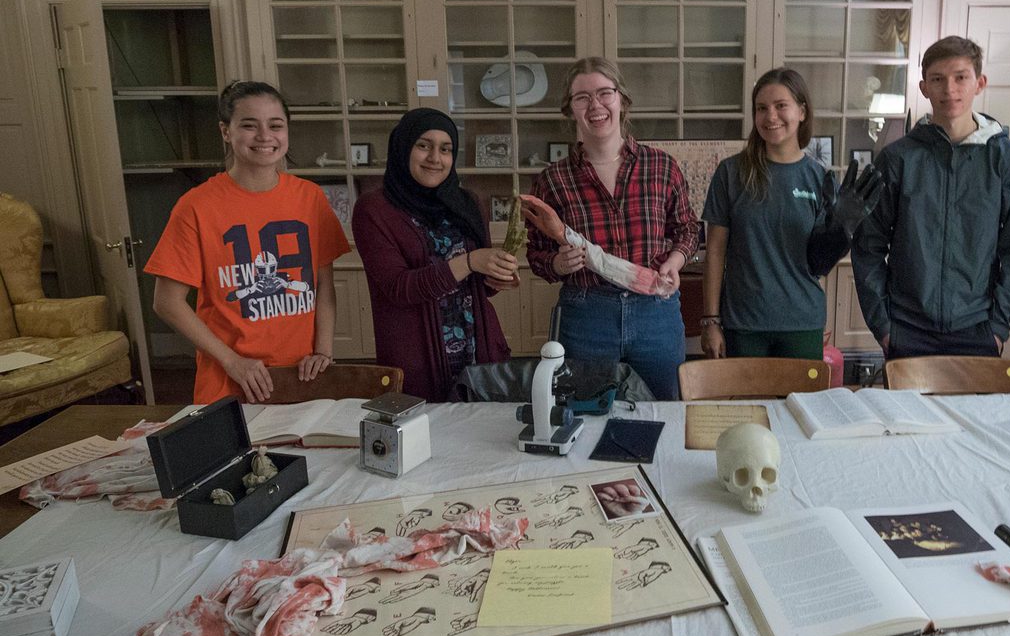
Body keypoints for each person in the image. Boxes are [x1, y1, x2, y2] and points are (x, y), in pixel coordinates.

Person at [147, 80, 349, 404]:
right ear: (226, 131)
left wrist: (323, 352)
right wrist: (232, 362)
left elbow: (323, 285)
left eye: (275, 125)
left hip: (300, 376)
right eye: (249, 125)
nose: (265, 136)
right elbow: (166, 302)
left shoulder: (310, 198)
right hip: (228, 381)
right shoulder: (196, 206)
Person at [521, 56, 699, 400]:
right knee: (583, 416)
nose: (595, 105)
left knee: (662, 410)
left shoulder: (662, 167)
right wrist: (557, 264)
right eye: (582, 97)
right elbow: (536, 252)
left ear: (622, 100)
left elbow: (688, 228)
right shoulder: (553, 180)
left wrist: (675, 261)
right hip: (587, 315)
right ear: (570, 109)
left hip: (656, 312)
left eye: (605, 93)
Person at [852, 36, 1010, 360]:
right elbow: (868, 245)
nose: (949, 89)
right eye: (938, 79)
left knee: (971, 414)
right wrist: (883, 324)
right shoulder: (897, 159)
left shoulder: (1008, 160)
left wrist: (997, 326)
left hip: (978, 330)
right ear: (924, 88)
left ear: (979, 83)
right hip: (906, 331)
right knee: (903, 414)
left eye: (960, 77)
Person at [701, 68, 882, 360]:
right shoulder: (732, 173)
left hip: (801, 322)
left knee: (799, 405)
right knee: (748, 406)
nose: (770, 117)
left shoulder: (818, 178)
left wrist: (841, 232)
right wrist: (710, 321)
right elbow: (715, 252)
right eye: (762, 108)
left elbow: (819, 263)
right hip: (745, 323)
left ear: (801, 111)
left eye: (780, 106)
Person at [352, 108, 518, 402]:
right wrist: (468, 262)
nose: (435, 158)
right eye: (423, 145)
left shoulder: (467, 203)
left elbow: (477, 284)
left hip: (478, 354)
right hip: (417, 361)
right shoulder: (374, 210)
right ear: (403, 147)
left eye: (446, 149)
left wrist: (494, 278)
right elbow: (397, 288)